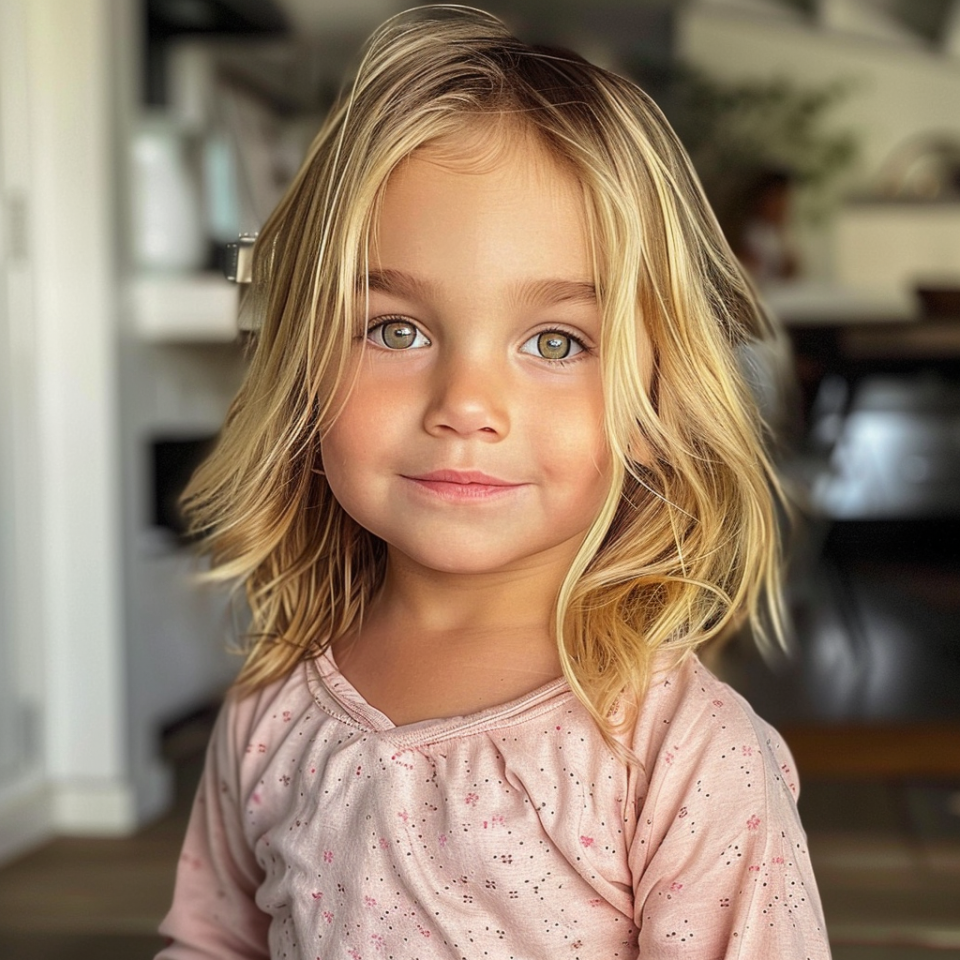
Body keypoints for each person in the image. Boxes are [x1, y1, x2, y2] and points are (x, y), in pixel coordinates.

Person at [156, 8, 830, 958]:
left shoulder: (684, 754)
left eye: (556, 342)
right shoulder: (273, 709)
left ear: (656, 394)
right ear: (303, 365)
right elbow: (214, 941)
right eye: (396, 329)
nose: (468, 403)